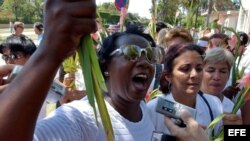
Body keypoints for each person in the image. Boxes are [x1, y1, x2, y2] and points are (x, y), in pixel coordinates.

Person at [0, 0, 213, 140]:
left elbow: (196, 124)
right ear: (106, 67)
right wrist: (49, 51)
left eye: (150, 55)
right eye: (131, 52)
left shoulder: (148, 106)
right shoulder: (82, 117)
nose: (144, 61)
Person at [147, 43, 223, 136]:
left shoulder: (214, 104)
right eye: (185, 69)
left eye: (199, 69)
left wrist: (236, 128)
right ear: (168, 76)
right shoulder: (151, 110)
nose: (194, 74)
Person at [201, 47, 242, 125]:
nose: (216, 77)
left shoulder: (232, 109)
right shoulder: (188, 100)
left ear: (228, 75)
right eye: (211, 70)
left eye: (223, 71)